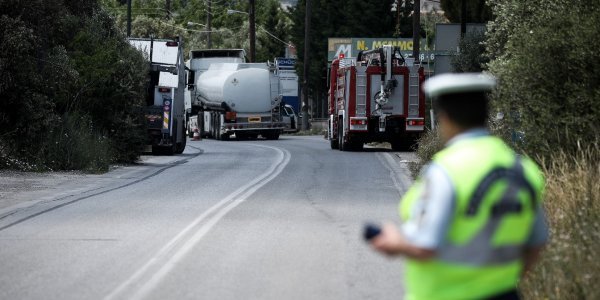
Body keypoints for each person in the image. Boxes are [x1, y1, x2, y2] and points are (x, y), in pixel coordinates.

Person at [369, 73, 548, 300]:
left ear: (444, 118)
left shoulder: (447, 172)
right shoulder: (523, 170)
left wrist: (394, 241)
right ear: (485, 115)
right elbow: (537, 242)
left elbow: (426, 246)